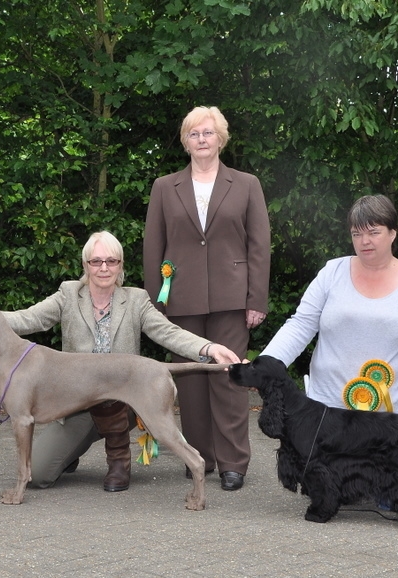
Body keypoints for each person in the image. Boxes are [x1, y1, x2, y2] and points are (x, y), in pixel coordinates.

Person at [3, 231, 241, 492]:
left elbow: (169, 332)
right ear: (85, 265)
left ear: (120, 265)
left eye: (111, 261)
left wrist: (209, 347)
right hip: (77, 405)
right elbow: (28, 319)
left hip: (124, 401)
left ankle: (118, 457)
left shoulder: (136, 300)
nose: (104, 268)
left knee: (122, 406)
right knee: (38, 474)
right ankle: (70, 451)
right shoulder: (68, 294)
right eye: (96, 262)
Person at [261, 194, 398, 444]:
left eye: (373, 232)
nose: (364, 241)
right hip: (327, 411)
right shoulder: (331, 273)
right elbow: (299, 325)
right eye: (356, 234)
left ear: (393, 233)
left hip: (393, 418)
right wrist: (265, 365)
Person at [143, 106, 271, 491]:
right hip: (179, 300)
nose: (202, 139)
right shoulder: (165, 187)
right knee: (191, 383)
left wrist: (256, 300)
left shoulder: (247, 184)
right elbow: (154, 246)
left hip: (232, 300)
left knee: (229, 379)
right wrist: (154, 304)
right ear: (185, 141)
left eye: (208, 133)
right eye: (194, 133)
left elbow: (259, 245)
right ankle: (199, 456)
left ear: (221, 139)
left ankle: (234, 462)